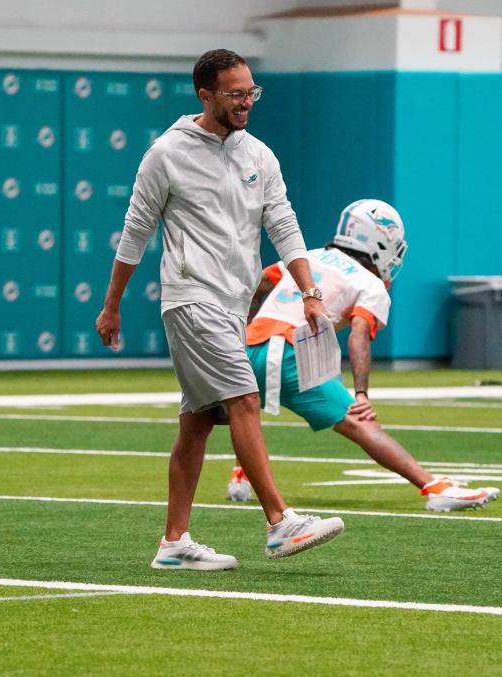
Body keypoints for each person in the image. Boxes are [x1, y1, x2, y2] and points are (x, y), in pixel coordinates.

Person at [96, 49, 345, 571]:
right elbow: (135, 233)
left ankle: (173, 543)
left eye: (251, 91)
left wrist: (310, 293)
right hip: (190, 300)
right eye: (235, 94)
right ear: (204, 96)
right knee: (243, 400)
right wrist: (112, 306)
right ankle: (280, 522)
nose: (247, 102)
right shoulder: (165, 154)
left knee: (197, 423)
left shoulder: (261, 155)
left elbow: (284, 226)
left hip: (234, 308)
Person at [227, 199, 500, 511]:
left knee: (230, 414)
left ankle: (241, 475)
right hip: (291, 352)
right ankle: (435, 488)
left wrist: (246, 326)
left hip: (250, 345)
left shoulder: (311, 256)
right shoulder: (368, 282)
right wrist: (361, 393)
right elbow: (358, 334)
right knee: (360, 423)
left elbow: (258, 282)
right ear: (378, 240)